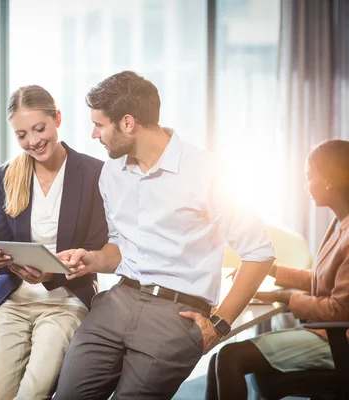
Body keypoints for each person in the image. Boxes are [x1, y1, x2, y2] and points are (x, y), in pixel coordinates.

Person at [53, 71, 276, 399]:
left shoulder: (208, 172)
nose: (93, 134)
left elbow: (259, 252)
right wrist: (92, 259)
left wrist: (220, 325)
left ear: (128, 123)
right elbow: (119, 247)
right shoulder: (112, 173)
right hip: (118, 300)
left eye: (99, 125)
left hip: (176, 314)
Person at [0, 85, 108, 400]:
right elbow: (3, 242)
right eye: (22, 135)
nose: (33, 141)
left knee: (32, 393)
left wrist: (53, 274)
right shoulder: (5, 175)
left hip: (64, 302)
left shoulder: (94, 173)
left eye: (39, 128)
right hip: (12, 300)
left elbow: (96, 248)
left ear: (57, 119)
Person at [205, 139, 349, 400]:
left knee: (229, 357)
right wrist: (268, 268)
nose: (306, 186)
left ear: (329, 180)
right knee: (218, 357)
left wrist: (283, 297)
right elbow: (322, 280)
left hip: (338, 342)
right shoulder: (340, 222)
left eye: (310, 177)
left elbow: (338, 310)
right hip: (327, 334)